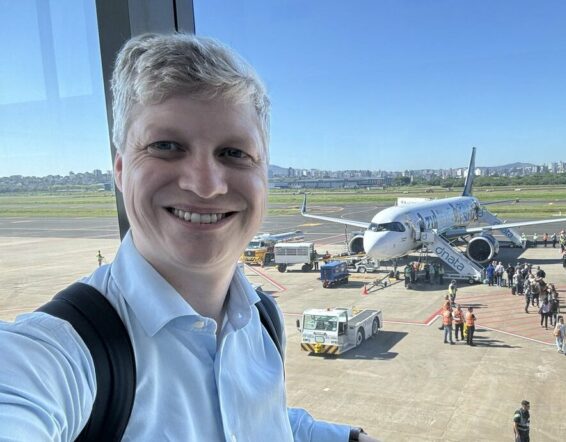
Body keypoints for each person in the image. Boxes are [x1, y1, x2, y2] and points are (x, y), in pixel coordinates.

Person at [0, 33, 375, 441]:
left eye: (234, 153)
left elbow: (262, 420)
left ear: (264, 175)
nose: (205, 185)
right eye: (166, 146)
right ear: (121, 171)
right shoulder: (63, 352)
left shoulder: (262, 319)